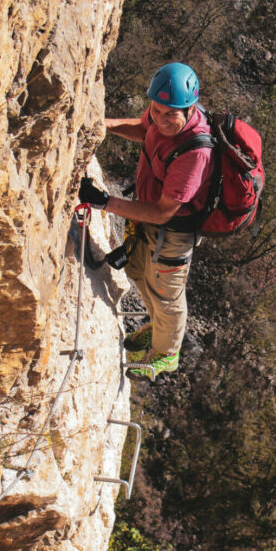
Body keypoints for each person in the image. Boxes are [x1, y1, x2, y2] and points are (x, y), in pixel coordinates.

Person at [79, 62, 214, 382]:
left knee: (167, 293)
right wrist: (106, 125)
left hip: (174, 230)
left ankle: (167, 354)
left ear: (190, 108)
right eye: (157, 109)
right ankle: (158, 325)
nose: (162, 119)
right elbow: (144, 130)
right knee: (138, 270)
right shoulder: (160, 115)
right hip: (149, 215)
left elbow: (163, 212)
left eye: (171, 114)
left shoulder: (195, 151)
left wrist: (105, 203)